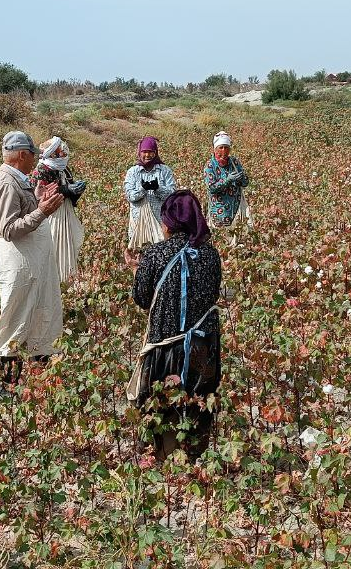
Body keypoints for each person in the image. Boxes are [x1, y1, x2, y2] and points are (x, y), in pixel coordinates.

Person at [131, 190, 222, 460]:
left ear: (168, 223)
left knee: (158, 405)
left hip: (165, 347)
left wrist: (138, 271)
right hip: (202, 346)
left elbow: (141, 298)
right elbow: (212, 293)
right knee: (197, 402)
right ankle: (193, 456)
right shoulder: (210, 255)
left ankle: (158, 457)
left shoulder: (155, 254)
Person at [0, 131, 65, 384]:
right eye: (32, 155)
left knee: (38, 312)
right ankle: (8, 384)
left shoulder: (16, 179)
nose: (35, 161)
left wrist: (36, 200)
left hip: (29, 261)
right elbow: (9, 229)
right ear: (21, 155)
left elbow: (18, 215)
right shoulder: (7, 183)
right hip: (19, 262)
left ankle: (40, 378)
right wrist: (41, 211)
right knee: (16, 318)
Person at [28, 136, 86, 284]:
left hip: (64, 213)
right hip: (51, 216)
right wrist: (65, 189)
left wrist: (76, 191)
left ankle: (66, 279)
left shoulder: (64, 169)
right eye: (60, 151)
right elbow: (37, 197)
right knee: (52, 248)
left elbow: (70, 195)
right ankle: (52, 281)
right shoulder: (41, 170)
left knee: (67, 247)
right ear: (52, 154)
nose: (64, 154)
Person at [123, 137, 177, 262]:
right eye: (144, 151)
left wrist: (158, 188)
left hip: (161, 223)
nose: (147, 155)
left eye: (150, 151)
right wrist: (143, 189)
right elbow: (130, 196)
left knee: (161, 257)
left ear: (155, 152)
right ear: (139, 152)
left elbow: (172, 195)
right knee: (140, 257)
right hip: (138, 224)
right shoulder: (133, 172)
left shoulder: (164, 171)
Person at [203, 131, 250, 232]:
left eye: (226, 147)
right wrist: (227, 180)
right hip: (219, 212)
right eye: (221, 147)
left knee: (238, 236)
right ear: (215, 149)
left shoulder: (234, 162)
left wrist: (241, 178)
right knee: (221, 238)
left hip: (236, 209)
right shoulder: (210, 166)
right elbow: (211, 188)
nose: (224, 150)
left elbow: (245, 183)